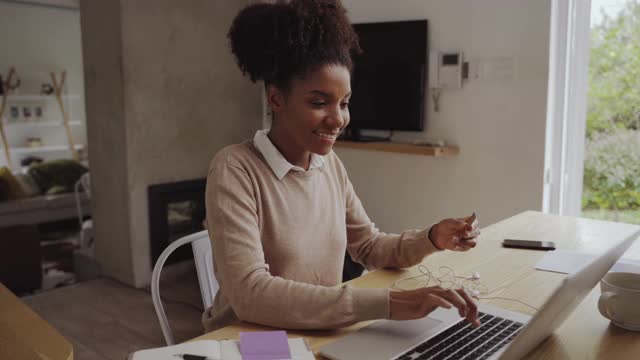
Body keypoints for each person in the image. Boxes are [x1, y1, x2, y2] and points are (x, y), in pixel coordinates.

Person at [202, 0, 480, 333]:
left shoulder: (328, 165)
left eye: (344, 102)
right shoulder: (235, 169)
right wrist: (389, 304)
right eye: (319, 103)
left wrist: (431, 238)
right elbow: (250, 294)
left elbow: (368, 246)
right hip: (250, 336)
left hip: (319, 329)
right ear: (276, 99)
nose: (338, 119)